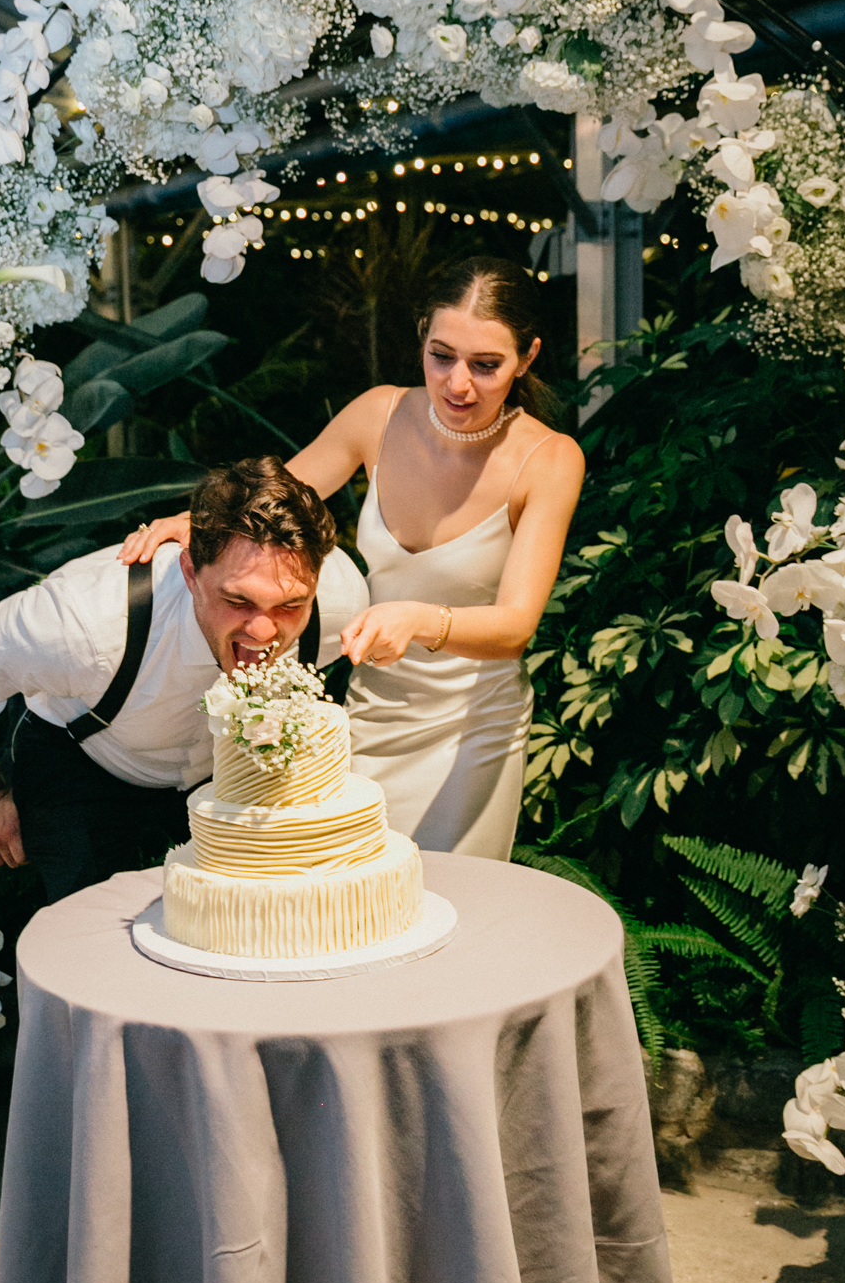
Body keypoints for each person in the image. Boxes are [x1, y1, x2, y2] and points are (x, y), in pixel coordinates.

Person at [121, 256, 585, 860]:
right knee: (347, 894)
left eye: (486, 364)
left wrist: (419, 620)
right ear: (422, 336)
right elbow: (271, 502)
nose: (458, 383)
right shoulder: (381, 414)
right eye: (441, 355)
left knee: (446, 903)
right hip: (370, 711)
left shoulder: (550, 460)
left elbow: (517, 627)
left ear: (527, 358)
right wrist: (194, 523)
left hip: (473, 731)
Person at [0, 456, 369, 903]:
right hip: (84, 770)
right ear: (191, 571)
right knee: (91, 938)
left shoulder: (341, 606)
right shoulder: (82, 626)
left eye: (289, 606)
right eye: (238, 600)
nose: (264, 631)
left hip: (223, 777)